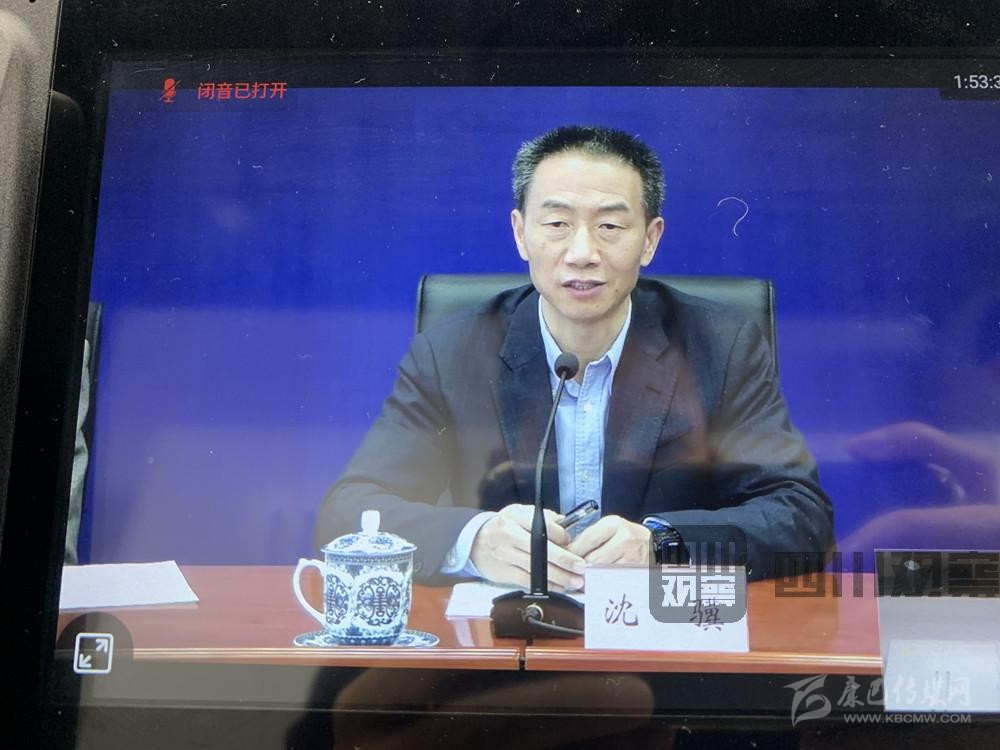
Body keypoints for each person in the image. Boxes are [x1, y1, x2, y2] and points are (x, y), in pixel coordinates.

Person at [316, 125, 833, 587]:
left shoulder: (720, 346)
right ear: (520, 233)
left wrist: (661, 546)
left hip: (662, 639)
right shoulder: (451, 351)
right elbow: (347, 514)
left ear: (650, 240)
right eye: (557, 223)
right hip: (508, 642)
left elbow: (802, 516)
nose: (582, 252)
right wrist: (473, 540)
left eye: (610, 227)